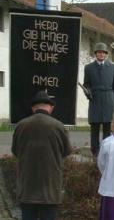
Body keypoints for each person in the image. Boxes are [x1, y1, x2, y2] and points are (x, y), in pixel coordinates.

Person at [11, 90, 72, 220]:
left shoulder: (21, 126)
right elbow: (66, 151)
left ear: (33, 108)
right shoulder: (59, 126)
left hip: (27, 186)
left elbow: (15, 151)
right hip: (50, 187)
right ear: (51, 108)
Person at [83, 42, 114, 156]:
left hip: (108, 99)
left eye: (103, 53)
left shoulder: (113, 67)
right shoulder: (88, 68)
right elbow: (86, 84)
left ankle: (106, 151)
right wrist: (87, 92)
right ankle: (95, 152)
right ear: (95, 54)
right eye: (99, 52)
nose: (101, 54)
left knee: (107, 127)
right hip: (95, 99)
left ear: (106, 54)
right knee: (94, 126)